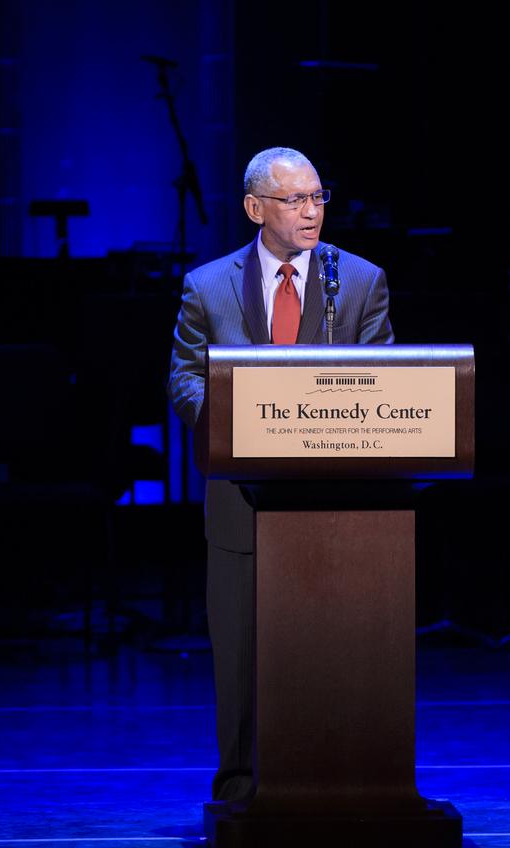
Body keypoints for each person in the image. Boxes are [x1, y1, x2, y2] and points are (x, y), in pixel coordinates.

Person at [167, 146, 394, 801]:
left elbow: (381, 374)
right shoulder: (208, 285)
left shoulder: (360, 279)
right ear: (254, 207)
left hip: (338, 501)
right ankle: (240, 786)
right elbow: (184, 375)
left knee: (334, 652)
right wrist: (226, 420)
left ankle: (342, 780)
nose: (310, 211)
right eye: (295, 199)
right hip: (240, 499)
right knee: (239, 654)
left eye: (318, 197)